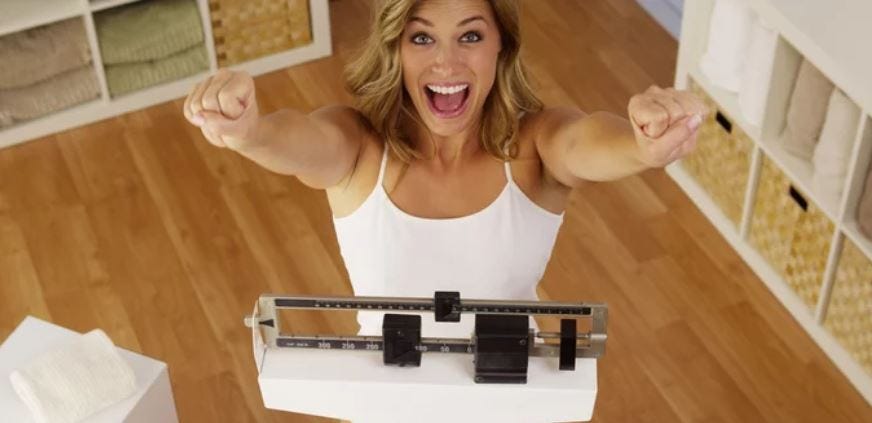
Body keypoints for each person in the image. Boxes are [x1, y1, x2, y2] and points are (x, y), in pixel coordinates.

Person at [182, 0, 708, 337]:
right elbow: (299, 140)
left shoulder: (535, 145)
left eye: (471, 36)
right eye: (422, 37)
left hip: (511, 395)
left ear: (501, 45)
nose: (447, 64)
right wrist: (248, 132)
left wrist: (644, 145)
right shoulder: (358, 149)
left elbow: (585, 141)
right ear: (395, 47)